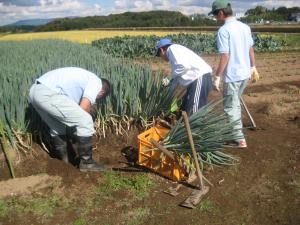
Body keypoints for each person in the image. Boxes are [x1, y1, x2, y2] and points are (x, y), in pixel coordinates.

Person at [29, 67, 110, 172]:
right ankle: (87, 163)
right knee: (85, 120)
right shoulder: (97, 83)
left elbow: (70, 112)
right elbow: (84, 108)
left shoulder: (83, 80)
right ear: (102, 93)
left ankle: (65, 163)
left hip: (35, 92)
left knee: (57, 128)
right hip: (48, 93)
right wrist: (81, 133)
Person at [209, 0, 259, 148]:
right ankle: (236, 131)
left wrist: (217, 76)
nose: (215, 18)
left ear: (221, 13)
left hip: (233, 76)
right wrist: (253, 67)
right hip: (245, 74)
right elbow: (250, 49)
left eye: (215, 15)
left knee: (230, 107)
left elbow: (225, 56)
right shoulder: (244, 27)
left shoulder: (224, 31)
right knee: (235, 103)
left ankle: (239, 139)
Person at [155, 38, 213, 115]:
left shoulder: (172, 49)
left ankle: (195, 127)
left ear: (162, 50)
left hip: (199, 78)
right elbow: (179, 73)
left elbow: (182, 66)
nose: (161, 58)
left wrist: (169, 78)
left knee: (194, 112)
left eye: (159, 55)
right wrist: (170, 85)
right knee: (186, 108)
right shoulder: (175, 50)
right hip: (196, 81)